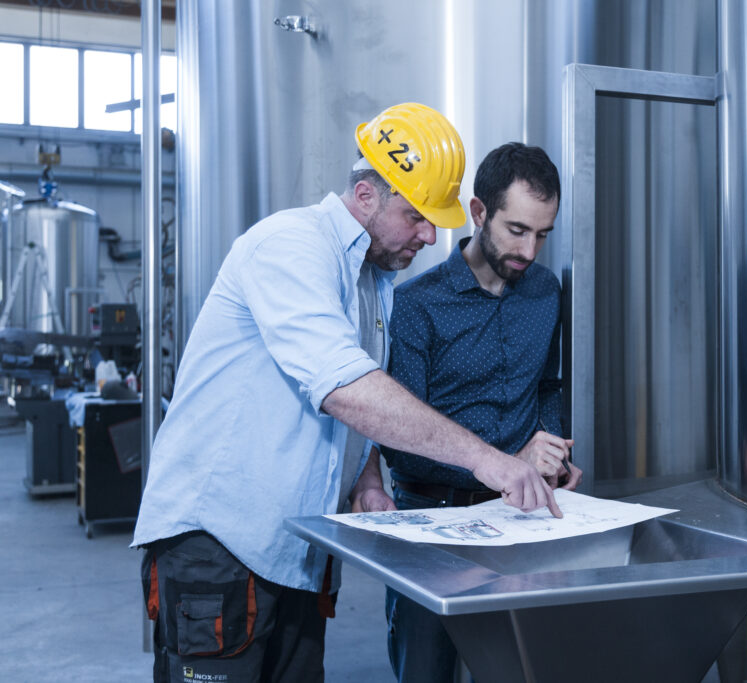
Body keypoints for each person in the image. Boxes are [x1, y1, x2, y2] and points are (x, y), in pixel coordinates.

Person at [131, 104, 562, 683]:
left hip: (297, 552)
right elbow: (346, 389)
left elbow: (354, 408)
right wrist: (493, 462)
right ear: (365, 196)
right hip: (219, 545)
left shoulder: (373, 284)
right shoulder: (290, 246)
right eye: (415, 216)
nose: (430, 236)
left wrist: (366, 480)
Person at [350, 142, 583, 683]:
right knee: (426, 670)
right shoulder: (415, 305)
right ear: (478, 213)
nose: (530, 250)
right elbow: (400, 443)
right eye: (517, 230)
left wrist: (550, 450)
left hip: (522, 522)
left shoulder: (545, 292)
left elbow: (548, 383)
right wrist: (508, 460)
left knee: (518, 667)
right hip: (431, 522)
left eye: (543, 234)